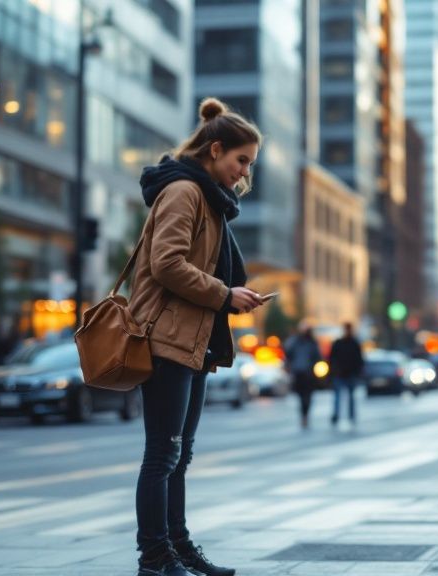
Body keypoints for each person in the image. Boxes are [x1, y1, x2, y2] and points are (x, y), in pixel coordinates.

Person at [128, 97, 266, 576]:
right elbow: (166, 264)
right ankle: (155, 557)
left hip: (192, 340)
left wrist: (228, 296)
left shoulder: (209, 198)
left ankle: (179, 548)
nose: (244, 172)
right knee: (162, 454)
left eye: (249, 163)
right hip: (166, 338)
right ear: (214, 149)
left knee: (178, 456)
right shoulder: (185, 191)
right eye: (240, 160)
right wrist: (225, 295)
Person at [284, 323, 323, 429]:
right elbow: (288, 353)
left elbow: (318, 357)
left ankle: (305, 415)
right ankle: (304, 415)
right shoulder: (295, 342)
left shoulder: (312, 343)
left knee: (308, 396)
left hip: (309, 373)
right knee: (302, 396)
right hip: (299, 372)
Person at [328, 322, 364, 428]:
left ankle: (351, 416)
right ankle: (337, 415)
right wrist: (334, 370)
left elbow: (359, 359)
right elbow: (332, 358)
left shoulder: (354, 343)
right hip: (340, 374)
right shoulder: (339, 343)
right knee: (338, 396)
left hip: (350, 374)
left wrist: (357, 371)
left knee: (350, 397)